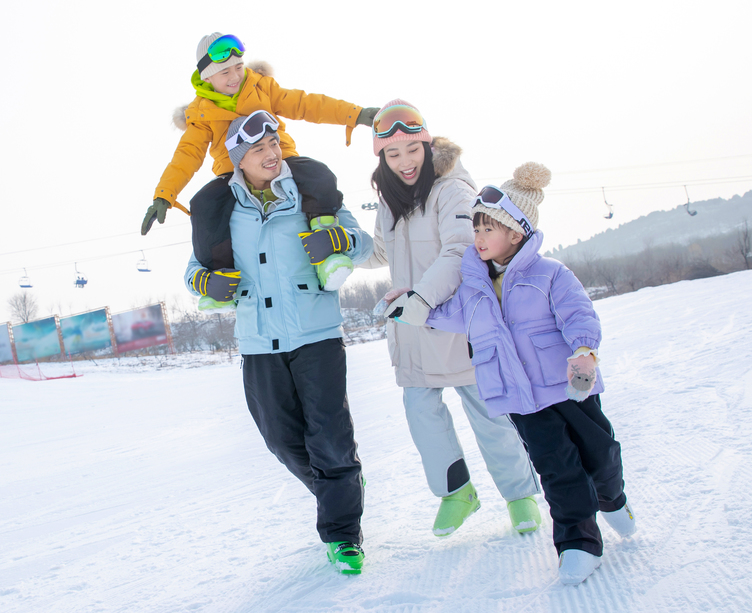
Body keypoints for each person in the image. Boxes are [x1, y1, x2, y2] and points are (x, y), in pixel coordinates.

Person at [403, 161, 636, 585]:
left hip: (568, 387)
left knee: (600, 455)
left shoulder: (550, 274)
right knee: (557, 469)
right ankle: (579, 544)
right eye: (475, 228)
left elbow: (578, 314)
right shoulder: (473, 286)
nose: (478, 237)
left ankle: (613, 499)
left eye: (488, 228)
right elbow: (451, 315)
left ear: (516, 233)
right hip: (520, 398)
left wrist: (584, 351)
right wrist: (414, 307)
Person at [184, 111, 374, 574]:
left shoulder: (310, 192)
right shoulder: (220, 210)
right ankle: (343, 488)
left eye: (273, 144)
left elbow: (364, 244)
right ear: (238, 160)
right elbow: (192, 272)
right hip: (258, 343)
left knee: (329, 438)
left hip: (316, 335)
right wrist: (207, 283)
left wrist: (336, 239)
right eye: (258, 149)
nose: (271, 153)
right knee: (281, 440)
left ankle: (343, 535)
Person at [361, 100, 542, 539]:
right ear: (382, 157)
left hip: (459, 322)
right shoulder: (389, 202)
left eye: (412, 149)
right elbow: (381, 252)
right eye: (392, 154)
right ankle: (457, 492)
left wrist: (422, 298)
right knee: (421, 413)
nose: (405, 161)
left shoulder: (452, 190)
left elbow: (460, 249)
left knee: (489, 413)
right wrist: (341, 243)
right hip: (412, 328)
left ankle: (520, 495)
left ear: (427, 146)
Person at [147, 33, 378, 306]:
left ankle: (326, 256)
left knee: (318, 175)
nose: (235, 76)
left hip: (283, 159)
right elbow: (186, 156)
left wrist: (355, 114)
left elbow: (306, 104)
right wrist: (164, 195)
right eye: (224, 72)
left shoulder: (260, 88)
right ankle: (220, 280)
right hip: (231, 174)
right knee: (204, 203)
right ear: (207, 77)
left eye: (238, 67)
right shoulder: (201, 113)